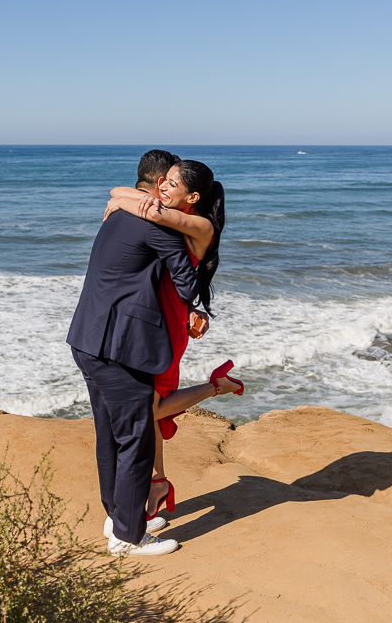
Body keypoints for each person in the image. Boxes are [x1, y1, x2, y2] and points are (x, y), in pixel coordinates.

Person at [66, 153, 202, 557]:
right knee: (137, 439)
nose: (167, 190)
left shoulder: (118, 215)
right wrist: (196, 306)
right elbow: (187, 281)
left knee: (109, 436)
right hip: (118, 348)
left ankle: (119, 516)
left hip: (87, 339)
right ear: (160, 183)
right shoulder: (155, 224)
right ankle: (128, 537)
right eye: (169, 182)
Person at [104, 155, 244, 524]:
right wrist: (124, 197)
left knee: (148, 408)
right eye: (162, 181)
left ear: (193, 197)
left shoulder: (200, 226)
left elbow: (141, 206)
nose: (162, 187)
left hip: (164, 327)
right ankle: (157, 483)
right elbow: (122, 190)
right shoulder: (167, 210)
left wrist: (123, 202)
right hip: (155, 318)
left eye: (172, 184)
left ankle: (216, 387)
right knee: (146, 407)